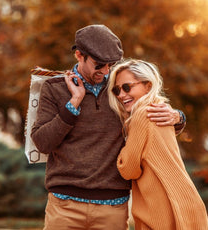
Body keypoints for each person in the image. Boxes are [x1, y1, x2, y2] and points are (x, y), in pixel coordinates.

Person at [31, 24, 186, 230]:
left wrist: (177, 116)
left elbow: (149, 119)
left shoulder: (120, 88)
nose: (105, 71)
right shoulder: (54, 88)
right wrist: (73, 103)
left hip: (112, 208)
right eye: (99, 65)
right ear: (79, 55)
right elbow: (42, 142)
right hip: (64, 206)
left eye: (110, 65)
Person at [108, 59, 208, 230]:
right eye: (116, 90)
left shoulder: (142, 114)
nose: (120, 95)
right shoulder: (161, 109)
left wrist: (120, 150)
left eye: (127, 87)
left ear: (148, 86)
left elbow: (128, 169)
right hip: (185, 204)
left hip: (164, 212)